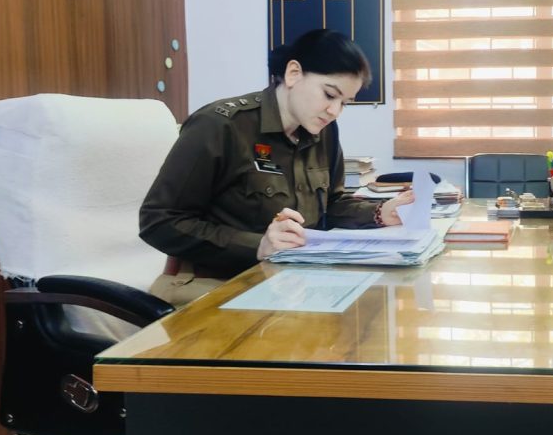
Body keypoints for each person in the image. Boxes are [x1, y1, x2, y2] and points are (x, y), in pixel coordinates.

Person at [140, 29, 412, 305]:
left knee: (371, 308)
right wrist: (257, 245)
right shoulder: (221, 126)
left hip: (292, 282)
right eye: (329, 94)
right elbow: (158, 221)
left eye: (344, 103)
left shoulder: (323, 132)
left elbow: (332, 205)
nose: (334, 111)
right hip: (217, 282)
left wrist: (381, 212)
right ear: (293, 73)